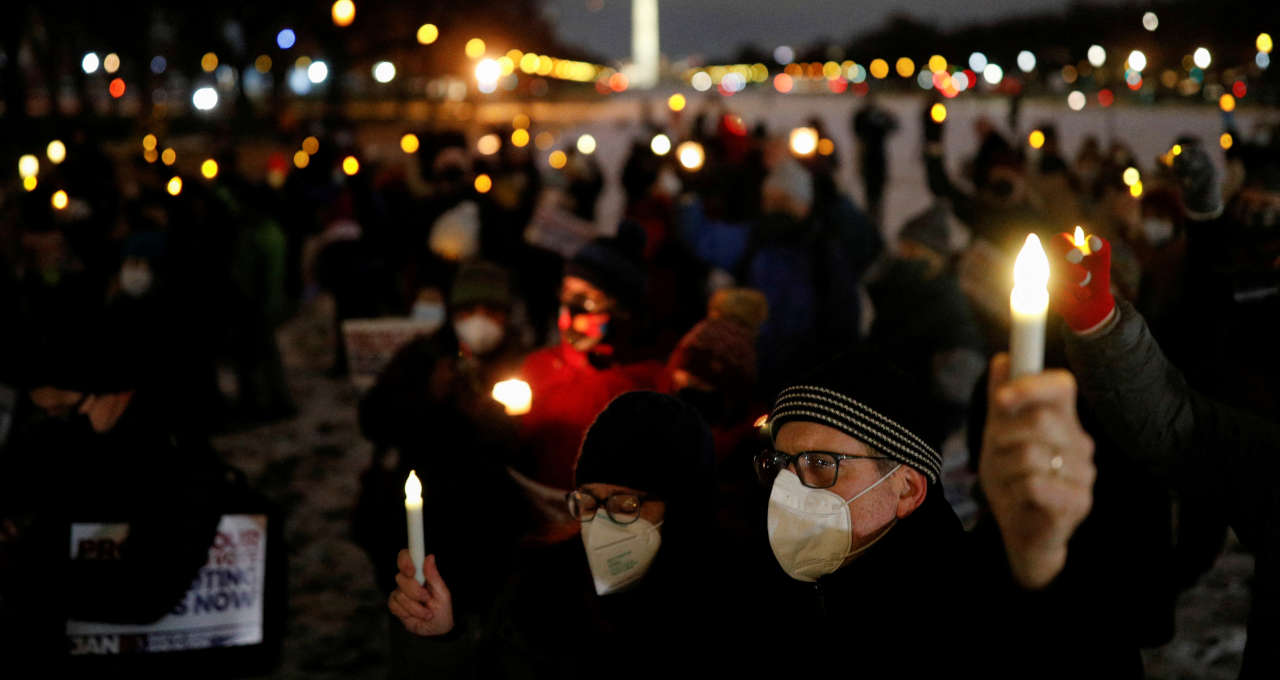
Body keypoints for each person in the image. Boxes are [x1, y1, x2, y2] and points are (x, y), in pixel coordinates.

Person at [752, 347, 1113, 674]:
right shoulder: (769, 589)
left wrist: (1040, 559)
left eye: (820, 462)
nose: (789, 486)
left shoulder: (963, 609)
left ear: (907, 489)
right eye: (782, 462)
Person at [387, 391, 720, 677]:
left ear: (682, 506)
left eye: (625, 504)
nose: (602, 523)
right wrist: (443, 636)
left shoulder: (732, 609)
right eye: (588, 503)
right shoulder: (541, 592)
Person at [515, 226, 664, 491]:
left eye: (588, 300)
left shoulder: (648, 382)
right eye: (568, 293)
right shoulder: (537, 367)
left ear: (623, 310)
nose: (572, 310)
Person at [852, 95, 898, 226]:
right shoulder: (865, 117)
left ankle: (874, 224)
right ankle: (872, 224)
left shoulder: (876, 117)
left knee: (875, 197)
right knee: (871, 197)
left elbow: (893, 126)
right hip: (870, 159)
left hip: (875, 160)